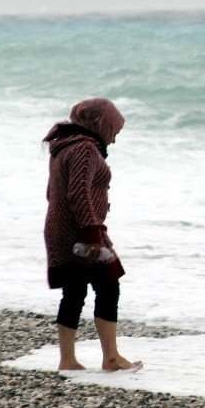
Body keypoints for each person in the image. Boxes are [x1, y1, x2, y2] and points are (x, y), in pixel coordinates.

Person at [42, 98, 141, 372]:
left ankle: (67, 360)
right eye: (113, 131)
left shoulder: (63, 146)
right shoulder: (85, 148)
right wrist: (92, 234)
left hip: (59, 228)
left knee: (73, 291)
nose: (114, 139)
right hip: (81, 231)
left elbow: (53, 193)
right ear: (100, 124)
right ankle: (110, 358)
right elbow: (79, 194)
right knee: (109, 284)